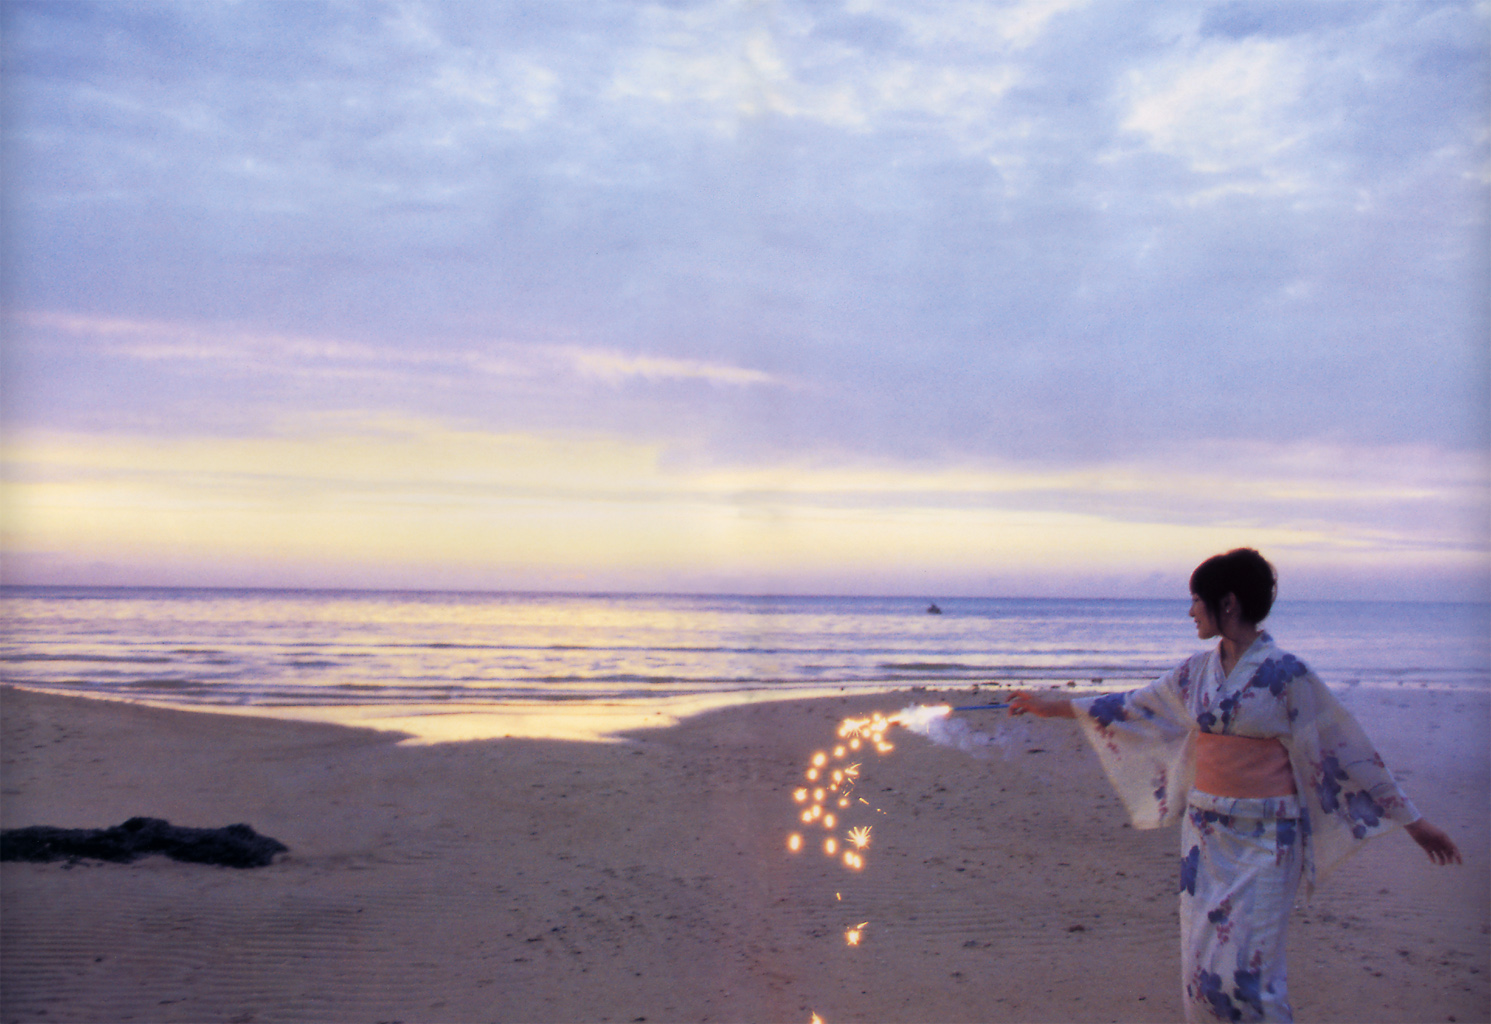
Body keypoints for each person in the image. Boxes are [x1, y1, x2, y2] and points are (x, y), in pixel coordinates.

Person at [1009, 548, 1460, 1023]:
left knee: (1249, 977)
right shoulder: (1195, 673)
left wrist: (1415, 823)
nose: (1190, 611)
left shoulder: (1288, 674)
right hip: (1205, 835)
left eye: (1195, 600)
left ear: (1227, 603)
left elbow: (1346, 751)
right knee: (1202, 975)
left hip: (1267, 840)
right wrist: (1050, 706)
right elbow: (1131, 707)